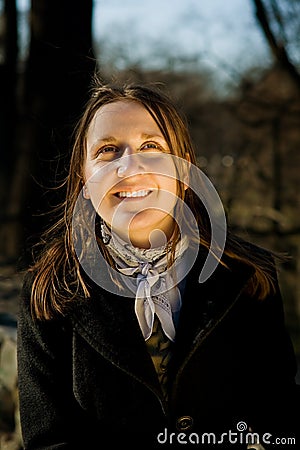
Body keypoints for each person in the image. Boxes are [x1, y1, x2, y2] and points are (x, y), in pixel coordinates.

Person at [17, 79, 299, 450]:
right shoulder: (48, 294)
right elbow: (49, 441)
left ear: (184, 173)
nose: (129, 166)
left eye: (151, 146)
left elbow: (278, 420)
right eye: (108, 150)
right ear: (84, 180)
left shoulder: (249, 277)